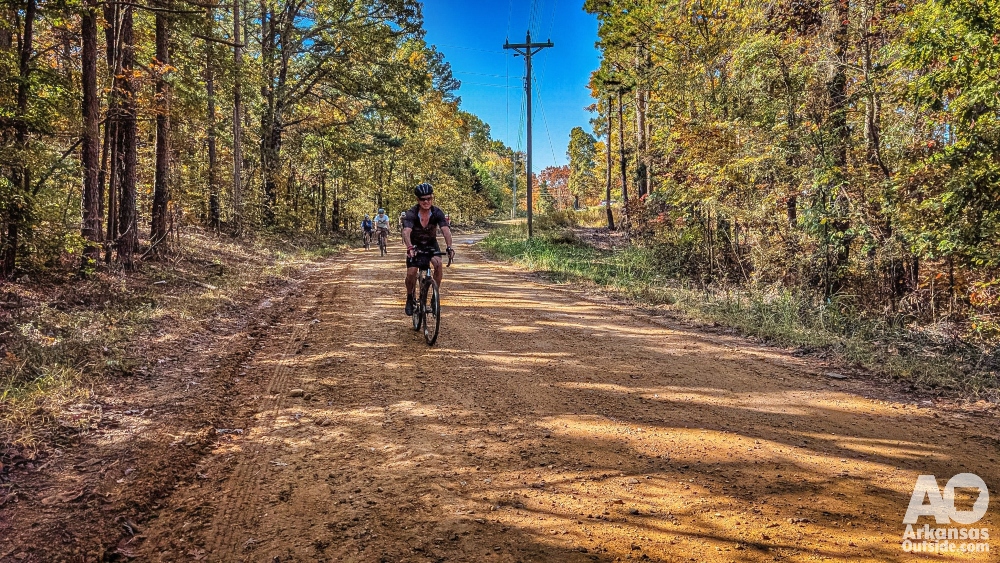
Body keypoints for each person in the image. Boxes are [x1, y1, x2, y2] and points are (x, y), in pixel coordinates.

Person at [401, 183, 454, 316]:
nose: (426, 202)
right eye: (423, 199)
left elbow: (446, 231)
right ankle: (409, 298)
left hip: (431, 243)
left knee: (438, 264)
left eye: (429, 198)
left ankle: (434, 297)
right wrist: (409, 247)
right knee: (411, 273)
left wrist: (449, 247)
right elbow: (406, 232)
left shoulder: (437, 212)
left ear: (432, 198)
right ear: (418, 200)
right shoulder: (411, 213)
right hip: (415, 245)